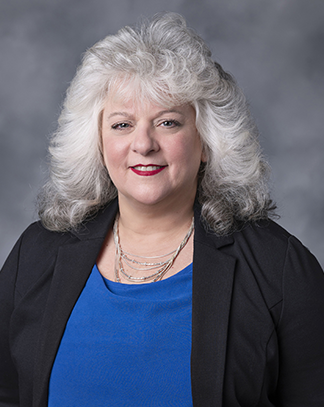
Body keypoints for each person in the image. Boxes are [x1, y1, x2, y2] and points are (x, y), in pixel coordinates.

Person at [1, 12, 324, 407]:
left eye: (168, 122)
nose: (144, 143)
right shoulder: (35, 255)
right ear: (97, 142)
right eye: (122, 125)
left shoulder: (280, 269)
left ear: (206, 141)